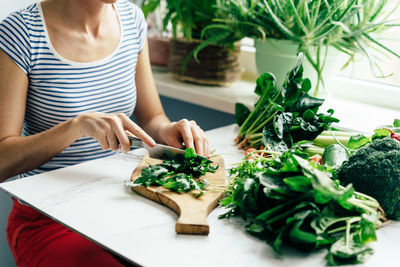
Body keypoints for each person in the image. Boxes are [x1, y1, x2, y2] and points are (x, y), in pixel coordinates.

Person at [0, 0, 210, 266]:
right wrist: (76, 127)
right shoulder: (21, 33)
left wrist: (168, 131)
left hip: (123, 207)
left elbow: (152, 118)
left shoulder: (132, 19)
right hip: (48, 219)